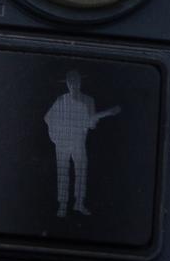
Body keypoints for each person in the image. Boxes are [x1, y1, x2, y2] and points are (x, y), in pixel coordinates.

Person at [44, 70, 119, 217]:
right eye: (70, 82)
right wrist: (55, 136)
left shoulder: (88, 101)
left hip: (78, 142)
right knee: (63, 173)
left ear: (80, 83)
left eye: (76, 82)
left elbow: (91, 124)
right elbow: (47, 117)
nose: (73, 85)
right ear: (67, 84)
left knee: (81, 172)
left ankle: (79, 203)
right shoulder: (60, 100)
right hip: (62, 143)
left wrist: (106, 114)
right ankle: (63, 205)